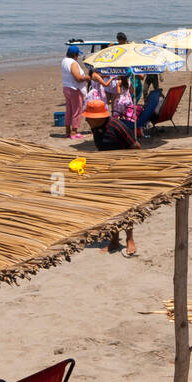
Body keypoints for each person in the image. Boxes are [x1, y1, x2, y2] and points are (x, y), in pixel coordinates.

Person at [82, 98, 139, 256]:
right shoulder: (96, 128)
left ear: (99, 117)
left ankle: (129, 239)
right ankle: (114, 239)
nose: (86, 120)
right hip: (107, 172)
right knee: (111, 208)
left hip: (123, 172)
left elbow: (136, 146)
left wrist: (124, 164)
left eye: (89, 117)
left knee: (126, 208)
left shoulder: (116, 126)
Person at [61, 45, 106, 140]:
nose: (78, 57)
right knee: (77, 111)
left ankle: (67, 131)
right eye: (77, 55)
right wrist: (87, 78)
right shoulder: (73, 63)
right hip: (74, 89)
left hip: (66, 87)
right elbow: (77, 78)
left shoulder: (64, 61)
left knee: (69, 110)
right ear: (75, 55)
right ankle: (74, 132)